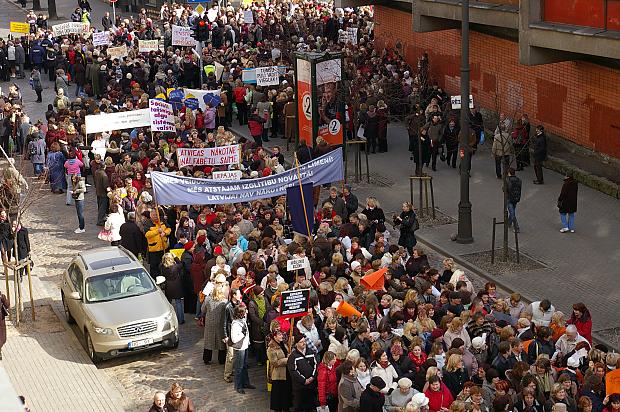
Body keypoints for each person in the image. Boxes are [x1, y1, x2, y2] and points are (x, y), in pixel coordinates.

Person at [288, 335, 318, 412]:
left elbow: (315, 365)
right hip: (299, 387)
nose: (304, 343)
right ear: (296, 344)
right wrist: (304, 380)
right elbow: (293, 371)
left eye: (304, 341)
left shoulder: (311, 352)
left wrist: (312, 377)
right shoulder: (293, 356)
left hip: (311, 385)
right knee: (299, 406)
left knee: (311, 405)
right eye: (301, 342)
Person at [267, 330, 292, 412]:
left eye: (282, 334)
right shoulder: (271, 348)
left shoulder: (283, 344)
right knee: (279, 394)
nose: (282, 336)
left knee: (286, 393)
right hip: (278, 375)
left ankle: (286, 408)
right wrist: (286, 360)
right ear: (275, 337)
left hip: (286, 373)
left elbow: (287, 352)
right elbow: (275, 363)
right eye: (280, 335)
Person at [230, 304, 253, 394]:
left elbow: (246, 318)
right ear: (240, 313)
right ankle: (238, 386)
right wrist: (242, 334)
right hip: (239, 348)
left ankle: (246, 383)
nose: (246, 312)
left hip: (245, 345)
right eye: (245, 311)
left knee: (244, 366)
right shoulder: (235, 324)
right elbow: (234, 339)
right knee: (239, 368)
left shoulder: (242, 319)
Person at [161, 253, 185, 324]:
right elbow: (181, 264)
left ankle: (169, 320)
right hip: (177, 285)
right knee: (178, 303)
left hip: (168, 285)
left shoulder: (162, 266)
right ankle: (181, 320)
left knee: (168, 303)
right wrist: (176, 257)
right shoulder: (176, 266)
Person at [505, 167, 522, 233]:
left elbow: (505, 189)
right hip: (516, 198)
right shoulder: (519, 180)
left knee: (512, 212)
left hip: (509, 198)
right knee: (512, 210)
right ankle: (509, 223)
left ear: (509, 173)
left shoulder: (507, 180)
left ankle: (516, 226)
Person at [0, 292, 8, 360]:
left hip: (1, 323)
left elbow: (7, 305)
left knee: (2, 338)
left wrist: (4, 299)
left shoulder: (1, 297)